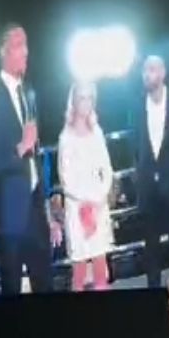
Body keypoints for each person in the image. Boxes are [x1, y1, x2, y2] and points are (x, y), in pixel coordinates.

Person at [0, 24, 54, 296]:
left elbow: (37, 152)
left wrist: (46, 204)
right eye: (19, 45)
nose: (26, 52)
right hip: (10, 214)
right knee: (12, 287)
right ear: (4, 51)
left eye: (27, 45)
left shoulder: (28, 92)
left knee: (45, 283)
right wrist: (20, 148)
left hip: (35, 209)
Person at [134, 54, 169, 288]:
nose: (148, 75)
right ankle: (153, 290)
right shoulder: (137, 106)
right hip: (147, 185)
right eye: (145, 70)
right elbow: (135, 144)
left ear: (163, 72)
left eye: (152, 69)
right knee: (151, 245)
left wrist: (167, 165)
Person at [57, 80, 115, 292]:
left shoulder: (97, 132)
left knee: (100, 262)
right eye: (82, 98)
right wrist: (85, 201)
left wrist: (100, 195)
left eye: (90, 98)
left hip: (98, 204)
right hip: (77, 207)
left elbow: (107, 168)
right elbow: (65, 179)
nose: (86, 102)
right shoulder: (65, 137)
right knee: (80, 268)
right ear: (73, 102)